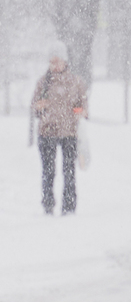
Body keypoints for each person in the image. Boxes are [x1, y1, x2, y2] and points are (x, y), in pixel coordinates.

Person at [31, 42, 88, 215]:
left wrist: (78, 111)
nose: (54, 66)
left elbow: (84, 106)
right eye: (51, 62)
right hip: (47, 132)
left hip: (69, 132)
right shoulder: (43, 83)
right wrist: (39, 106)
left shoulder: (75, 82)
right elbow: (34, 106)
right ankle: (48, 205)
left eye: (57, 61)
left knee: (69, 171)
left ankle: (69, 206)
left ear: (65, 62)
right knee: (48, 172)